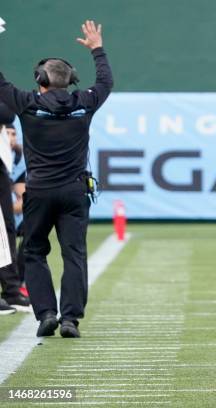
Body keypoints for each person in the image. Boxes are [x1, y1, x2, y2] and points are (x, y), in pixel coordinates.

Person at [0, 20, 113, 337]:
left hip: (38, 191)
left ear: (40, 81)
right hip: (75, 192)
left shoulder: (28, 104)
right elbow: (105, 81)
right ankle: (70, 320)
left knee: (34, 251)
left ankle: (47, 313)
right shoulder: (83, 103)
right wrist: (97, 49)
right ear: (71, 81)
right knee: (73, 253)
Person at [0, 105, 29, 314]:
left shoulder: (16, 156)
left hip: (13, 212)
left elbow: (22, 192)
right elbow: (7, 113)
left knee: (8, 230)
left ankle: (12, 288)